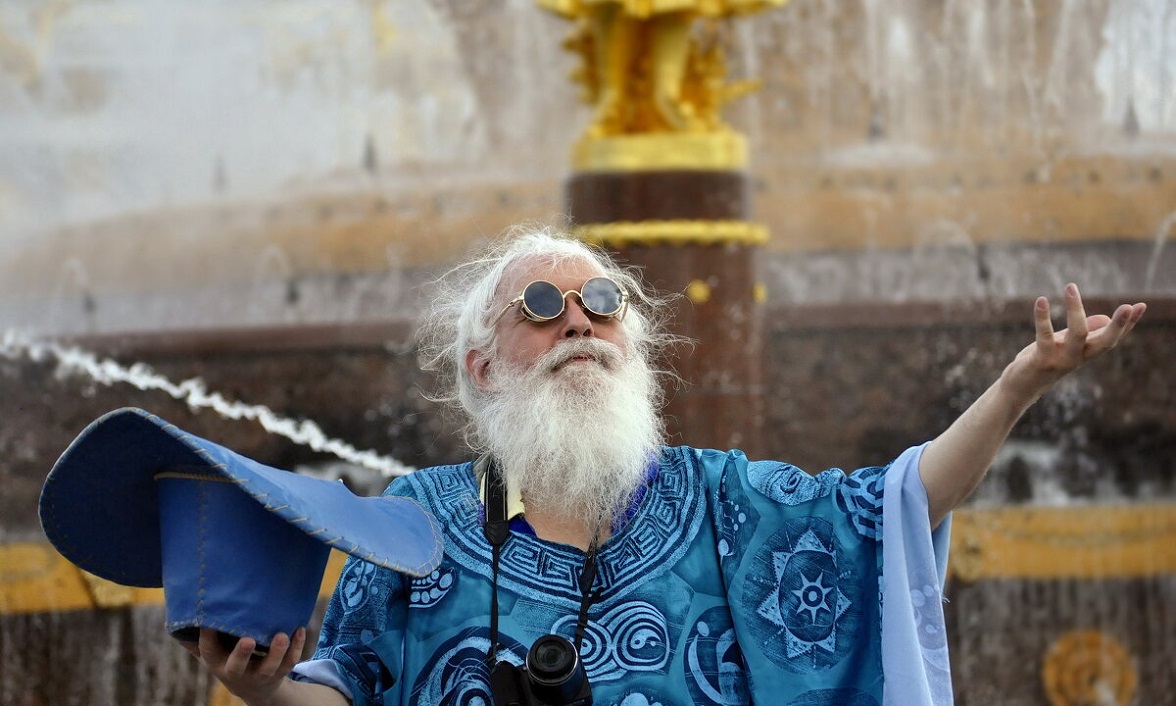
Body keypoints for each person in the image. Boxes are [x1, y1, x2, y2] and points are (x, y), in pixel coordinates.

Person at [184, 225, 1146, 706]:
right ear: (481, 367)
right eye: (540, 309)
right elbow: (347, 686)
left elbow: (898, 502)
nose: (577, 322)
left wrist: (1018, 385)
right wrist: (263, 688)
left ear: (631, 341)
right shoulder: (415, 518)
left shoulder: (722, 499)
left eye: (602, 303)